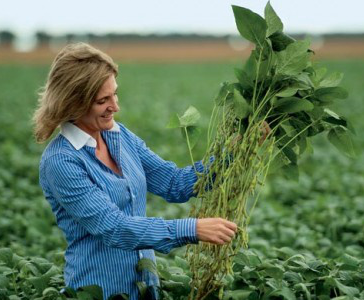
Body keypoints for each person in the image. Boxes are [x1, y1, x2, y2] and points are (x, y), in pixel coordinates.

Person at [32, 42, 238, 300]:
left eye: (114, 94)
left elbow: (175, 183)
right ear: (73, 103)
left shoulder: (121, 137)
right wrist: (191, 229)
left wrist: (235, 151)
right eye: (102, 101)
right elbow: (114, 227)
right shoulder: (61, 161)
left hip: (146, 290)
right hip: (98, 292)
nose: (115, 106)